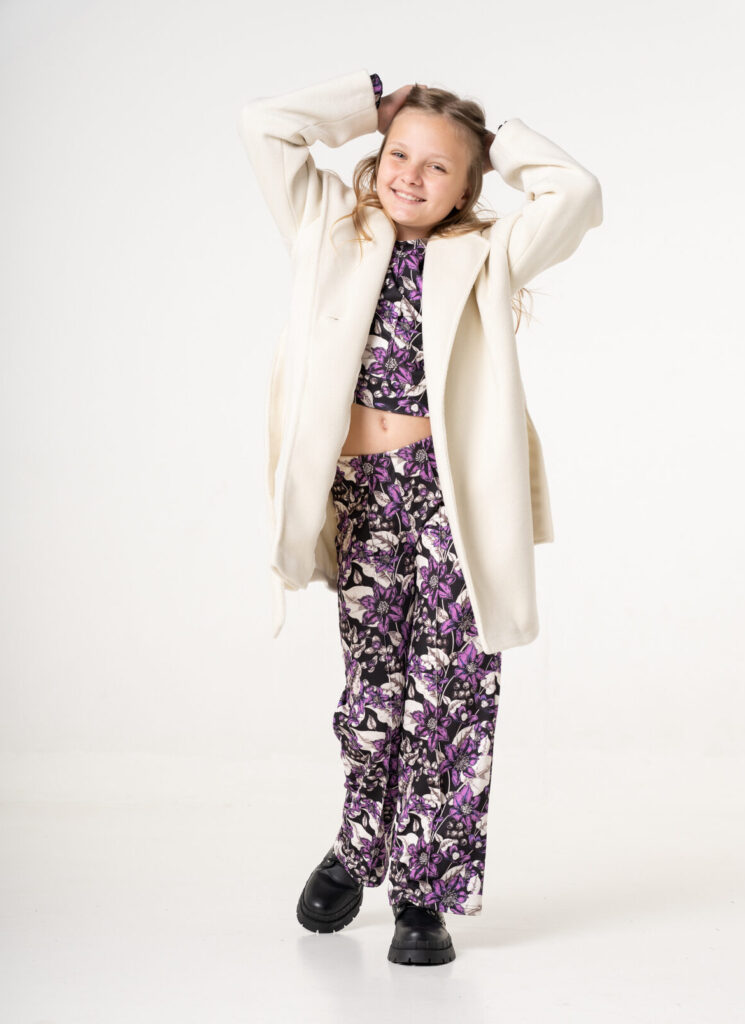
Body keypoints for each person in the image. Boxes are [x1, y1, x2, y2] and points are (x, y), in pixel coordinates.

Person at [237, 69, 603, 966]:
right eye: (397, 155)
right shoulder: (329, 223)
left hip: (449, 496)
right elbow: (265, 125)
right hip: (361, 495)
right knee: (374, 687)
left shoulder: (486, 251)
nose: (409, 175)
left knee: (450, 692)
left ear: (467, 187)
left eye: (438, 167)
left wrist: (492, 136)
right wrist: (370, 104)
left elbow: (575, 191)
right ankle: (358, 845)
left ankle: (421, 893)